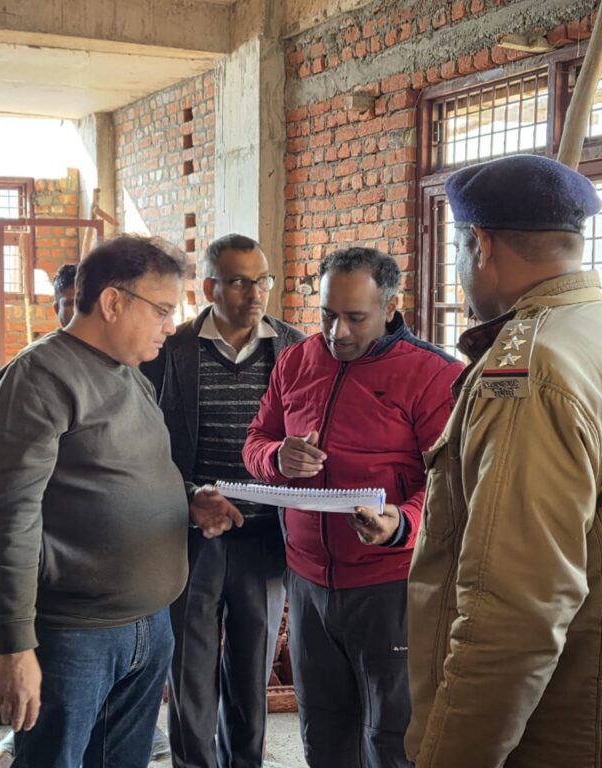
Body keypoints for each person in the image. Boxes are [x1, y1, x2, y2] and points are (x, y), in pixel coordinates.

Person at [406, 154, 602, 767]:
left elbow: (512, 613)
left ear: (481, 245)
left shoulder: (531, 369)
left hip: (543, 736)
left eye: (458, 249)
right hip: (598, 713)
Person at [0, 235, 244, 768]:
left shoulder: (129, 372)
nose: (170, 326)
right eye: (163, 310)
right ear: (112, 302)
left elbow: (122, 473)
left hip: (148, 622)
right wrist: (16, 645)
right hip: (73, 634)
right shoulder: (40, 377)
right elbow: (11, 517)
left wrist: (189, 501)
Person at [242, 247, 463, 768]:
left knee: (394, 735)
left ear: (390, 307)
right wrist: (277, 458)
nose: (337, 332)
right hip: (306, 581)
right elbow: (255, 442)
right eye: (326, 314)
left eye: (355, 318)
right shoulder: (296, 360)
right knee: (322, 730)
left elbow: (451, 485)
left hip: (391, 583)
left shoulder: (434, 374)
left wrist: (402, 523)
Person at [141, 233, 304, 768]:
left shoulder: (294, 347)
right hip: (191, 532)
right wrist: (188, 497)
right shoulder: (171, 350)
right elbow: (147, 441)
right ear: (210, 287)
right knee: (190, 671)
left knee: (253, 670)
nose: (255, 293)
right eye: (239, 282)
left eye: (262, 280)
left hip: (264, 534)